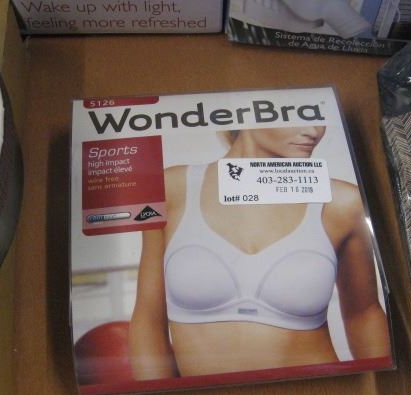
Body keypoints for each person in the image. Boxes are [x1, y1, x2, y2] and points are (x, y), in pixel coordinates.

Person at [129, 126, 391, 380]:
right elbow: (148, 317)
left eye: (315, 117)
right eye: (294, 116)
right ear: (248, 113)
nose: (313, 131)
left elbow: (364, 315)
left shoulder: (342, 202)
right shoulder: (171, 189)